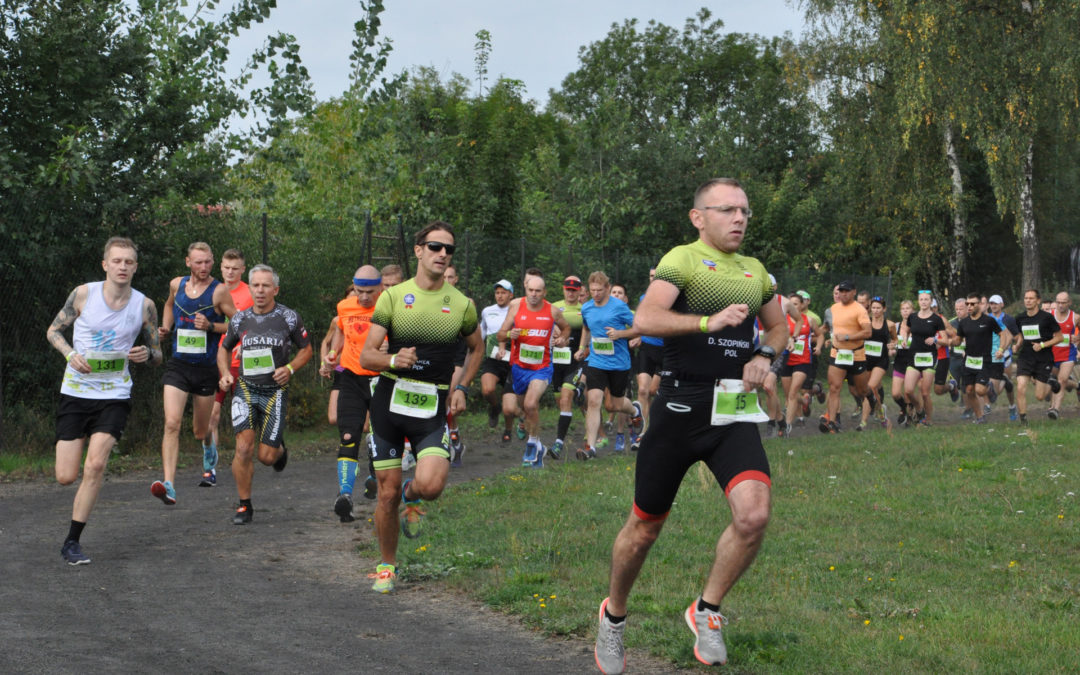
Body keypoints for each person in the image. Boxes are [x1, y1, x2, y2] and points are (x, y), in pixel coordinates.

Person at [595, 178, 785, 673]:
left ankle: (708, 609)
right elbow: (648, 316)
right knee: (644, 528)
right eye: (727, 210)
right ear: (699, 217)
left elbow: (780, 326)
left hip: (733, 409)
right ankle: (613, 616)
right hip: (680, 406)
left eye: (745, 210)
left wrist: (764, 355)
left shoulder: (755, 271)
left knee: (754, 516)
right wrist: (708, 322)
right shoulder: (682, 260)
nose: (740, 218)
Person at [360, 221, 483, 593]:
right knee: (385, 493)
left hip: (430, 406)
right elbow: (367, 355)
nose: (443, 254)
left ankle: (411, 495)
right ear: (418, 251)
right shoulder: (393, 297)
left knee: (430, 486)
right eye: (435, 247)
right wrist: (394, 359)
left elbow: (477, 347)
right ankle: (387, 567)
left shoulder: (461, 304)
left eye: (449, 249)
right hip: (390, 404)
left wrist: (462, 386)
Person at [48, 237, 162, 565]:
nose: (123, 267)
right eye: (117, 261)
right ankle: (72, 534)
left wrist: (146, 353)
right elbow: (53, 331)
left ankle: (72, 542)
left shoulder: (145, 306)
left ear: (135, 267)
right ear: (105, 265)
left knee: (96, 464)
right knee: (66, 476)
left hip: (115, 394)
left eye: (129, 262)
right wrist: (71, 354)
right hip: (77, 392)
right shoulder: (83, 294)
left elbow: (157, 355)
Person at [218, 264, 312, 524]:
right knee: (244, 447)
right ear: (251, 288)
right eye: (256, 285)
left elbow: (306, 349)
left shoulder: (289, 317)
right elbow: (224, 348)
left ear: (275, 289)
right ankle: (244, 505)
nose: (260, 290)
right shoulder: (239, 318)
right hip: (246, 389)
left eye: (266, 286)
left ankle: (279, 451)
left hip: (275, 393)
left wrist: (290, 368)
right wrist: (225, 372)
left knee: (266, 457)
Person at [153, 242, 237, 505]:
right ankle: (169, 484)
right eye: (199, 262)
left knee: (200, 431)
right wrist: (165, 327)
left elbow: (238, 323)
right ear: (188, 262)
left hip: (205, 369)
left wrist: (212, 325)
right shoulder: (176, 284)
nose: (204, 267)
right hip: (178, 366)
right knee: (171, 423)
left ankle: (209, 446)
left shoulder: (219, 291)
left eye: (208, 262)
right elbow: (168, 306)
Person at [321, 266, 382, 521]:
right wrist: (332, 357)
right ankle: (344, 496)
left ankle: (376, 476)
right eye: (360, 291)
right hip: (351, 379)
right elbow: (340, 334)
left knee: (382, 438)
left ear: (379, 288)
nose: (365, 297)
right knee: (348, 435)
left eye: (370, 292)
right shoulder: (344, 307)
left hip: (381, 379)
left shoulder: (388, 308)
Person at [495, 268, 570, 467]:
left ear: (544, 292)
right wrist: (508, 336)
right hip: (519, 368)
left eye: (538, 291)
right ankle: (539, 447)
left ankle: (532, 444)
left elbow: (567, 327)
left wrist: (562, 339)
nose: (534, 294)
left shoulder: (552, 310)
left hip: (542, 368)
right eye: (531, 291)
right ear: (526, 290)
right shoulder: (516, 308)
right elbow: (500, 335)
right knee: (525, 410)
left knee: (530, 404)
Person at [574, 271, 642, 460]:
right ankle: (591, 447)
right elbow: (587, 328)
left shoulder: (619, 307)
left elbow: (638, 328)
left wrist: (621, 334)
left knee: (614, 405)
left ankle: (635, 411)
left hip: (618, 363)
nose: (595, 294)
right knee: (594, 401)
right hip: (596, 361)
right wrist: (582, 347)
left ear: (607, 288)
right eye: (592, 290)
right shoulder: (587, 308)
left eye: (599, 290)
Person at [202, 249, 253, 487]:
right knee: (211, 415)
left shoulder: (251, 293)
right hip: (215, 361)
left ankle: (240, 463)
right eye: (226, 267)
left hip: (242, 364)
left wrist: (246, 345)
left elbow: (254, 325)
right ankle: (209, 468)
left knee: (242, 418)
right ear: (220, 267)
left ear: (243, 269)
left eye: (235, 268)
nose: (230, 272)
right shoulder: (212, 291)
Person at [819, 280, 872, 433]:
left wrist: (848, 337)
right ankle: (832, 422)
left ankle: (873, 400)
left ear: (854, 292)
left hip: (856, 354)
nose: (843, 294)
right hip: (838, 353)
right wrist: (813, 331)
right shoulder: (832, 309)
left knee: (861, 391)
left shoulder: (859, 310)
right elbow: (827, 327)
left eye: (846, 291)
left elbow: (867, 332)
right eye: (841, 291)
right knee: (834, 388)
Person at [952, 293, 1009, 424]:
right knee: (969, 390)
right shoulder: (964, 323)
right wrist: (950, 342)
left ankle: (989, 388)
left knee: (980, 390)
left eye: (973, 304)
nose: (969, 306)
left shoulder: (988, 320)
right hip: (969, 360)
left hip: (984, 360)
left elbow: (1003, 335)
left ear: (979, 305)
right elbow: (958, 340)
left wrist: (1001, 349)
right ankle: (980, 417)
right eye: (968, 304)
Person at [898, 290, 952, 426]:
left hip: (929, 358)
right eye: (921, 299)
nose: (923, 302)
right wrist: (904, 339)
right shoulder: (913, 317)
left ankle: (928, 420)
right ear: (918, 301)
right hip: (914, 357)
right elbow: (905, 329)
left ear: (931, 301)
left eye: (926, 299)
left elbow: (946, 340)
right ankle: (919, 409)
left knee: (925, 392)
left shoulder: (936, 319)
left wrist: (935, 339)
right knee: (908, 390)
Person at [1011, 289, 1063, 424]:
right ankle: (1023, 420)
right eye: (1026, 298)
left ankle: (1050, 383)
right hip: (1026, 357)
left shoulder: (1046, 318)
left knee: (1040, 396)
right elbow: (1020, 336)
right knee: (1021, 386)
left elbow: (1059, 337)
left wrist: (1043, 345)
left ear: (1038, 301)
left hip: (1043, 358)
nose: (1028, 300)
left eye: (1031, 298)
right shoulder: (1020, 318)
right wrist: (1017, 345)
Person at [479, 280, 519, 444]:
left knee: (509, 407)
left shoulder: (518, 311)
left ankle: (508, 430)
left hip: (513, 362)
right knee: (488, 390)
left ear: (511, 294)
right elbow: (482, 334)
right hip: (492, 359)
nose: (500, 296)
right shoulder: (487, 311)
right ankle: (495, 408)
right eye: (497, 293)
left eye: (503, 292)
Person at [551, 276, 586, 457]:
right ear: (563, 289)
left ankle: (558, 444)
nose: (571, 292)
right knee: (562, 402)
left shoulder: (586, 309)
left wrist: (584, 350)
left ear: (580, 291)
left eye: (574, 289)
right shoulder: (554, 307)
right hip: (557, 361)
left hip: (576, 359)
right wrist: (553, 330)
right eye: (568, 289)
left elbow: (593, 332)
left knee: (566, 397)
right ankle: (582, 400)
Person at [779, 291, 821, 436]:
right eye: (791, 304)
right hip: (786, 360)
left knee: (792, 393)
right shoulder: (782, 320)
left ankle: (788, 426)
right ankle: (804, 401)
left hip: (803, 360)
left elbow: (820, 334)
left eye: (796, 304)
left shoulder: (809, 320)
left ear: (802, 305)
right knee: (788, 394)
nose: (793, 307)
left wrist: (819, 347)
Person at [632, 268, 663, 450]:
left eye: (657, 275)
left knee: (653, 391)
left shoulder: (671, 296)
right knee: (642, 390)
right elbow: (639, 319)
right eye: (651, 276)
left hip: (665, 350)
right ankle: (642, 433)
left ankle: (656, 429)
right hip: (647, 347)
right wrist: (637, 335)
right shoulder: (644, 298)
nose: (654, 279)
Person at [859, 296, 895, 430]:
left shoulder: (889, 325)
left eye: (878, 308)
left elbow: (894, 340)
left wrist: (892, 346)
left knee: (870, 387)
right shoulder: (865, 323)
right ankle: (881, 414)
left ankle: (863, 422)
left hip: (881, 361)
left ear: (884, 309)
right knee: (872, 391)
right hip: (866, 360)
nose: (875, 310)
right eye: (873, 308)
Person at [987, 294, 1020, 420]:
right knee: (992, 387)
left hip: (1005, 355)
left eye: (996, 303)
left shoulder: (1009, 319)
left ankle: (1012, 407)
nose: (993, 306)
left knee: (1008, 385)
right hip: (991, 355)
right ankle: (986, 407)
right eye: (992, 303)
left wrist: (1014, 345)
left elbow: (1016, 336)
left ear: (1002, 304)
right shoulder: (987, 318)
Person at [1048, 291, 1078, 419]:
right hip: (1052, 355)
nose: (1060, 305)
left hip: (1068, 355)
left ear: (1069, 303)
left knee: (1062, 380)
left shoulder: (1075, 317)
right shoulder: (1049, 316)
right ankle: (1077, 385)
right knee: (1053, 382)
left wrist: (1077, 337)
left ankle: (1055, 409)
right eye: (1058, 302)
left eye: (1063, 302)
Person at [890, 300, 915, 425]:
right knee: (895, 393)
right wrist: (891, 350)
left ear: (912, 310)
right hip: (899, 361)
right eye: (903, 309)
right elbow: (892, 343)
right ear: (900, 312)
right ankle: (904, 408)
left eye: (908, 308)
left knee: (908, 392)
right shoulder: (895, 326)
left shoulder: (917, 326)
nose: (905, 311)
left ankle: (910, 418)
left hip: (913, 362)